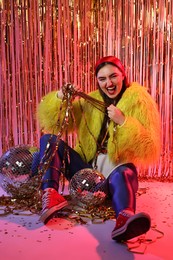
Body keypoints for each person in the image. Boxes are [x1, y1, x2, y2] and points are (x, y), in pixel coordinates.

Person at [32, 56, 161, 242]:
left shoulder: (140, 101)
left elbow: (150, 147)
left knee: (126, 172)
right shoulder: (90, 101)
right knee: (49, 139)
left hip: (113, 175)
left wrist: (124, 121)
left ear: (123, 75)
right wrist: (61, 96)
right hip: (85, 173)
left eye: (113, 76)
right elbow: (54, 122)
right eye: (102, 79)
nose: (108, 83)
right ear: (97, 81)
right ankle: (51, 195)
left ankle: (124, 218)